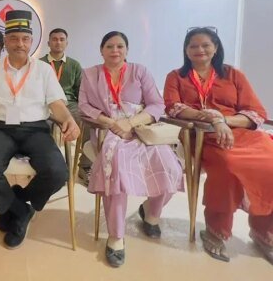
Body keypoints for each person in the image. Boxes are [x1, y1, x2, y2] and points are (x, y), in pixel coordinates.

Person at [0, 10, 80, 249]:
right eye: (14, 38)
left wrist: (69, 119)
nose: (20, 44)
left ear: (31, 41)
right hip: (2, 130)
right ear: (5, 41)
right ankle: (21, 211)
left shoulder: (44, 70)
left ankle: (14, 202)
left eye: (25, 39)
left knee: (58, 172)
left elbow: (57, 104)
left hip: (36, 130)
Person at [163, 26, 273, 264]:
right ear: (186, 50)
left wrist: (224, 120)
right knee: (227, 165)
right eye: (193, 46)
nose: (199, 50)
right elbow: (173, 107)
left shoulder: (233, 75)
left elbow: (255, 112)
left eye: (205, 45)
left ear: (215, 48)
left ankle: (263, 230)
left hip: (242, 133)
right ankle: (216, 230)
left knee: (270, 165)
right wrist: (213, 119)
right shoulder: (176, 76)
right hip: (203, 137)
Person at [78, 31, 183, 267]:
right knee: (115, 168)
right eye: (109, 46)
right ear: (101, 50)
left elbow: (156, 104)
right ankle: (116, 236)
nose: (115, 50)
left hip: (141, 129)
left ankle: (151, 212)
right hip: (108, 132)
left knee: (171, 166)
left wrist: (131, 123)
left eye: (120, 46)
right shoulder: (90, 74)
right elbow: (84, 106)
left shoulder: (140, 71)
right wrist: (112, 123)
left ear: (127, 50)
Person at [39, 28, 82, 121]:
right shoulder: (39, 64)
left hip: (70, 103)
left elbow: (80, 90)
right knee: (47, 122)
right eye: (54, 39)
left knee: (82, 118)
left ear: (67, 43)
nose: (58, 42)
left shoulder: (74, 64)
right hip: (47, 102)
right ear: (48, 43)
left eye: (62, 39)